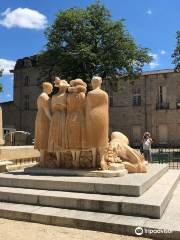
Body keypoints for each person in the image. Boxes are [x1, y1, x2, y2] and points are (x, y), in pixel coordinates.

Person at [34, 82, 53, 166]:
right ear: (47, 88)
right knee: (43, 138)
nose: (52, 90)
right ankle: (42, 160)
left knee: (42, 137)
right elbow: (46, 110)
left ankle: (43, 159)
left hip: (40, 117)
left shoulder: (41, 96)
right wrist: (52, 120)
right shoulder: (44, 97)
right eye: (51, 88)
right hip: (44, 118)